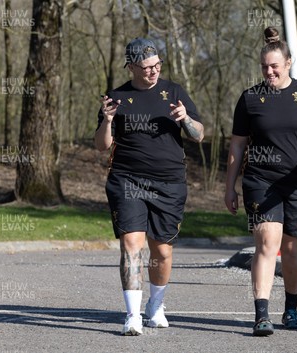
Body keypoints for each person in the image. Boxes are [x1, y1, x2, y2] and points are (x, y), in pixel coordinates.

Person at [225, 27, 297, 336]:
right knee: (266, 243)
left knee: (291, 249)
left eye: (274, 65)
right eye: (264, 67)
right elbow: (237, 145)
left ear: (289, 62)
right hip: (261, 180)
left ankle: (291, 308)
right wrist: (229, 186)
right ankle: (261, 314)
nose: (269, 71)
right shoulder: (250, 98)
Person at [95, 37, 204, 336]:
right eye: (146, 67)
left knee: (162, 252)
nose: (153, 72)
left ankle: (155, 306)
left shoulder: (175, 92)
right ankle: (132, 315)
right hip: (127, 180)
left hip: (169, 182)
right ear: (131, 67)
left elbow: (198, 135)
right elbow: (102, 146)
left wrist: (186, 120)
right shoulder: (116, 97)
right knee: (132, 245)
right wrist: (107, 121)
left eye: (157, 65)